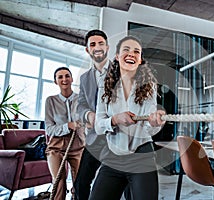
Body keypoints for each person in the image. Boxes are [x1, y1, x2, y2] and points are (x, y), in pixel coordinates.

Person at [90, 35, 166, 200]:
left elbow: (148, 128)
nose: (131, 54)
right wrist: (115, 120)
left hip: (142, 154)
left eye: (136, 52)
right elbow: (98, 126)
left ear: (140, 60)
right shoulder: (105, 86)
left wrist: (155, 122)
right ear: (117, 56)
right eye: (126, 49)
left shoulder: (149, 87)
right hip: (112, 156)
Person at [74, 29, 110, 199]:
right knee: (81, 182)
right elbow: (80, 105)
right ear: (87, 50)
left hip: (118, 137)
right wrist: (88, 115)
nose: (97, 47)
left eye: (101, 43)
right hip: (95, 137)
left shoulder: (122, 71)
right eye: (93, 44)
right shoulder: (84, 78)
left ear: (107, 47)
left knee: (122, 184)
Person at [45, 67, 85, 200]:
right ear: (55, 81)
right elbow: (49, 129)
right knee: (59, 183)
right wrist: (67, 126)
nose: (64, 79)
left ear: (72, 79)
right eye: (60, 77)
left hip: (78, 146)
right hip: (56, 147)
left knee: (80, 183)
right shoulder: (50, 101)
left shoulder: (81, 100)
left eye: (67, 76)